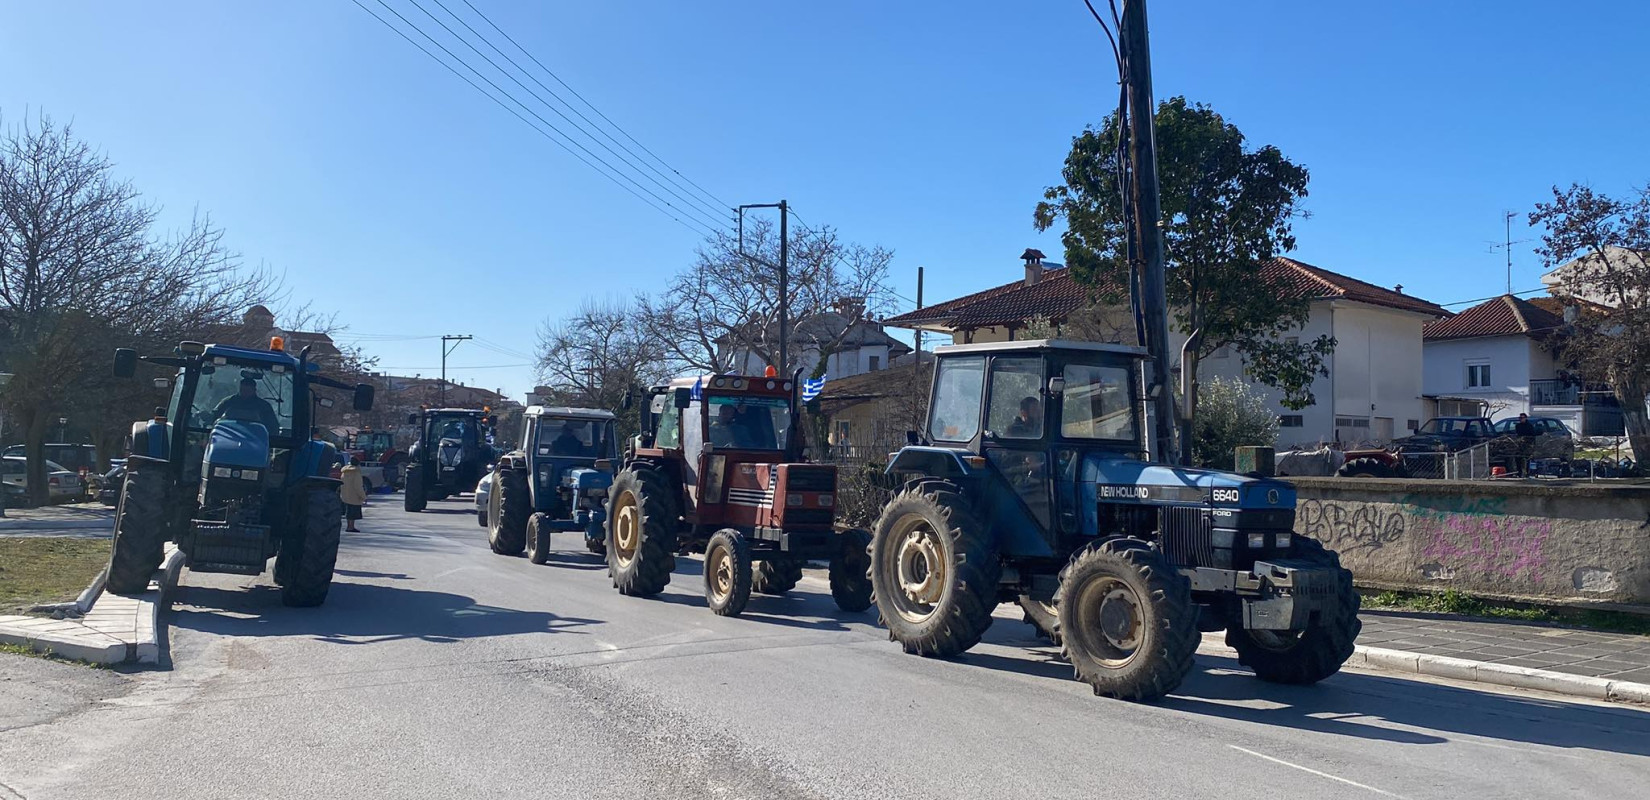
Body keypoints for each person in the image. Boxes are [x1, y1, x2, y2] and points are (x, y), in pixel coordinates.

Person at [213, 377, 279, 435]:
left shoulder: (264, 406)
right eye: (242, 390)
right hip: (227, 436)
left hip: (256, 439)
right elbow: (214, 417)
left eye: (248, 391)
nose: (245, 393)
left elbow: (273, 428)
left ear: (254, 390)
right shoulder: (228, 402)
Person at [339, 458, 366, 532]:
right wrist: (363, 496)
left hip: (345, 494)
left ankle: (349, 526)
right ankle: (351, 527)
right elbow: (358, 486)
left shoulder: (344, 472)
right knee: (353, 512)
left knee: (348, 510)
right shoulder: (356, 473)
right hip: (354, 495)